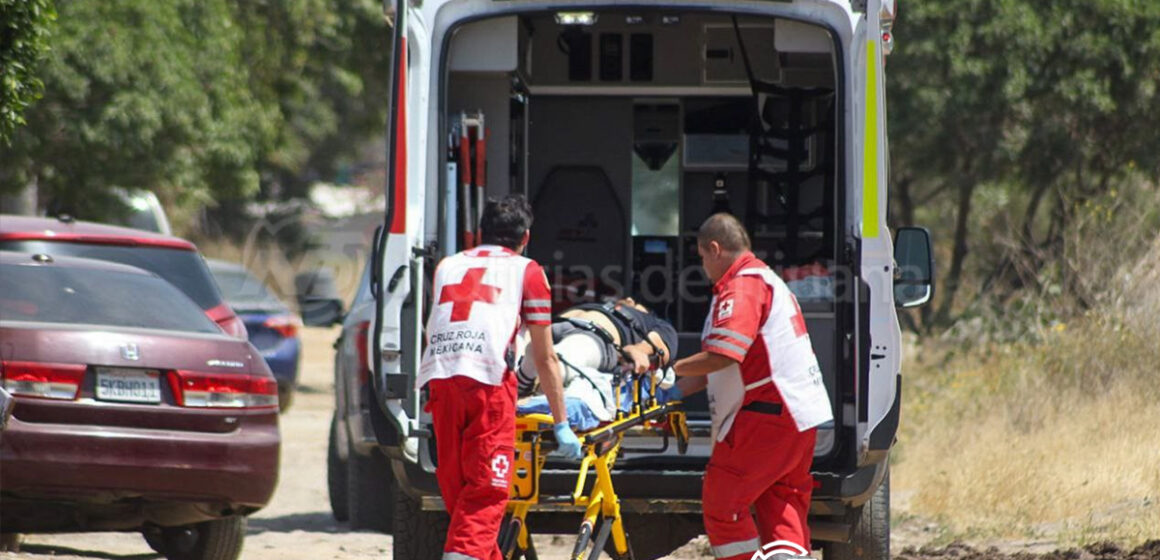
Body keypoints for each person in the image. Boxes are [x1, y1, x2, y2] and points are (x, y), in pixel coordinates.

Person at [418, 194, 582, 560]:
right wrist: (561, 422)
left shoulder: (448, 265)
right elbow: (545, 355)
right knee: (486, 494)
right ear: (525, 237)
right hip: (488, 385)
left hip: (441, 380)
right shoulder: (528, 270)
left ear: (480, 233)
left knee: (461, 497)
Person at [672, 213, 833, 560]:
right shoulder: (766, 280)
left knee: (723, 504)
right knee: (782, 503)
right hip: (799, 416)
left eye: (702, 258)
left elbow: (724, 356)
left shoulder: (742, 286)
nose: (703, 267)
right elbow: (724, 366)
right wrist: (676, 390)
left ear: (714, 249)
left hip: (766, 416)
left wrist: (670, 370)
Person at [515, 297, 678, 396]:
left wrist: (637, 350)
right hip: (556, 326)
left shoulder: (655, 322)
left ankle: (526, 378)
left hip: (596, 336)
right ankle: (527, 368)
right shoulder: (597, 305)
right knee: (526, 349)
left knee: (561, 361)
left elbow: (659, 347)